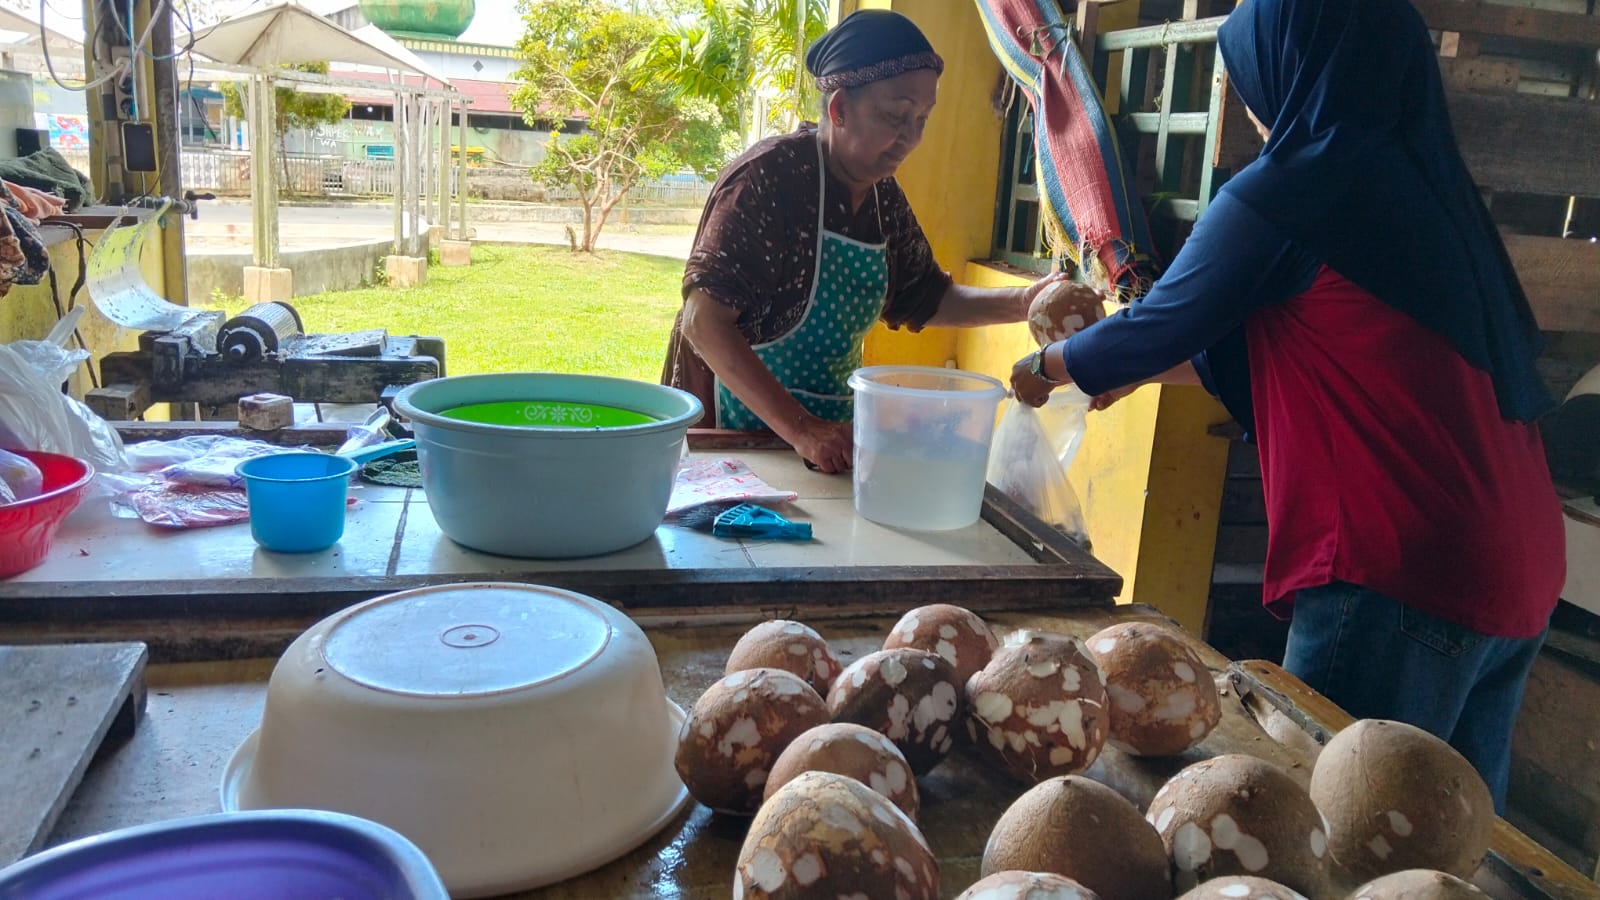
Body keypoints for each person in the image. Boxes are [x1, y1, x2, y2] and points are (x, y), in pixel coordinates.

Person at [1008, 0, 1565, 812]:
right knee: (1451, 848)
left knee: (1323, 825)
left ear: (1294, 66)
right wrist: (1136, 367)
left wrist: (1049, 365)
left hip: (1405, 572)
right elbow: (1309, 345)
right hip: (1518, 567)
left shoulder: (1295, 187)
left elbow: (1162, 321)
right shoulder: (1422, 196)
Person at [662, 9, 1059, 474]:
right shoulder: (768, 180)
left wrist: (1024, 302)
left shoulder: (881, 197)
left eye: (923, 119)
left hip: (828, 443)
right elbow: (704, 322)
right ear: (839, 109)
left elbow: (925, 298)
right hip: (733, 439)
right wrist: (803, 429)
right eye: (895, 115)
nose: (910, 138)